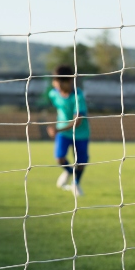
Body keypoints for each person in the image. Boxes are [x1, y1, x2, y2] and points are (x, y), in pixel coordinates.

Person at [46, 65, 89, 197]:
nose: (55, 84)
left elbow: (78, 121)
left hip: (80, 133)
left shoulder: (78, 95)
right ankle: (69, 172)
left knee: (81, 162)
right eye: (54, 81)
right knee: (59, 158)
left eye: (58, 82)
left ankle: (75, 183)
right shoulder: (53, 94)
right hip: (64, 133)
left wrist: (58, 129)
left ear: (69, 81)